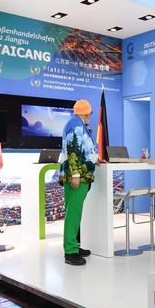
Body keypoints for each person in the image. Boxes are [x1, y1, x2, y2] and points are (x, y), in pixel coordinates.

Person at [61, 99, 99, 266]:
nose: (90, 115)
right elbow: (73, 150)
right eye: (90, 112)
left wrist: (94, 158)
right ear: (86, 112)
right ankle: (70, 251)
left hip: (82, 174)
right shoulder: (75, 125)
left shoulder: (78, 125)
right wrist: (75, 174)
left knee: (75, 212)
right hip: (77, 175)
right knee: (73, 213)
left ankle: (74, 246)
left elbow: (85, 149)